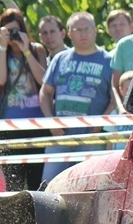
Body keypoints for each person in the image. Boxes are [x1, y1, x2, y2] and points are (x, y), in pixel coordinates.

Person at [40, 11, 114, 184]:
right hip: (60, 137)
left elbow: (114, 98)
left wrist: (99, 124)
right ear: (69, 33)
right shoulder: (60, 59)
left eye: (87, 29)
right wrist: (50, 122)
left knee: (89, 189)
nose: (83, 34)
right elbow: (45, 92)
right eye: (77, 29)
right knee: (48, 186)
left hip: (91, 138)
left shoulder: (109, 61)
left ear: (95, 31)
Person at [0, 8, 48, 190]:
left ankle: (36, 214)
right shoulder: (1, 52)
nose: (13, 35)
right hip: (10, 124)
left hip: (36, 123)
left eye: (15, 30)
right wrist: (2, 46)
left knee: (35, 178)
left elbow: (43, 80)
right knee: (13, 179)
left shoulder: (36, 49)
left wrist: (26, 51)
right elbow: (0, 80)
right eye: (8, 31)